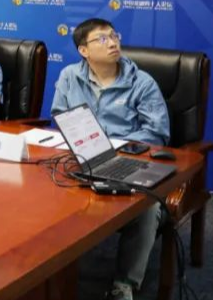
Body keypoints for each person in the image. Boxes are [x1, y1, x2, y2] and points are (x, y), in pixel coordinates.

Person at [51, 18, 169, 300]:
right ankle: (49, 273)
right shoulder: (69, 76)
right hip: (83, 159)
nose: (113, 42)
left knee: (148, 207)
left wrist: (112, 145)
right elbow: (59, 115)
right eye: (102, 39)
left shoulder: (142, 82)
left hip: (127, 160)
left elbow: (157, 133)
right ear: (84, 51)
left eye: (114, 36)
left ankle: (125, 283)